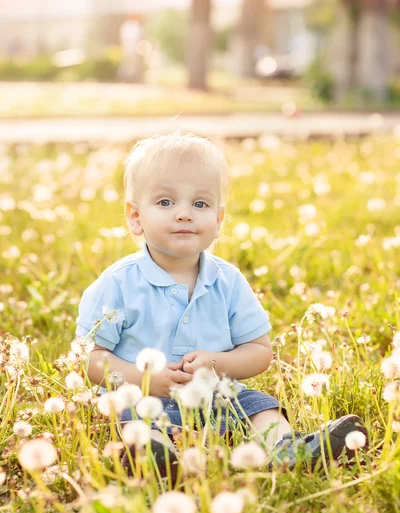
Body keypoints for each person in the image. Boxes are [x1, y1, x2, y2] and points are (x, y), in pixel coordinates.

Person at [75, 132, 368, 483]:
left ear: (219, 220)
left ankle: (288, 450)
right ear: (135, 217)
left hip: (215, 398)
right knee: (129, 416)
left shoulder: (227, 281)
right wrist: (147, 380)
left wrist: (218, 364)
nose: (184, 214)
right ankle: (153, 457)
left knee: (262, 406)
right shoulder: (118, 283)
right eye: (166, 202)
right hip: (139, 395)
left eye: (200, 204)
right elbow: (90, 358)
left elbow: (260, 352)